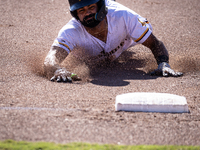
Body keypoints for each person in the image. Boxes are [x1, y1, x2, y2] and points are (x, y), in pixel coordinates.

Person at [44, 0, 183, 82]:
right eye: (81, 10)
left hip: (124, 40)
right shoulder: (70, 31)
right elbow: (50, 59)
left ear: (101, 7)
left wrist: (164, 63)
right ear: (75, 14)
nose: (87, 13)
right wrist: (57, 70)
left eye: (91, 7)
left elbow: (155, 43)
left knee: (136, 40)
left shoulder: (124, 17)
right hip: (90, 55)